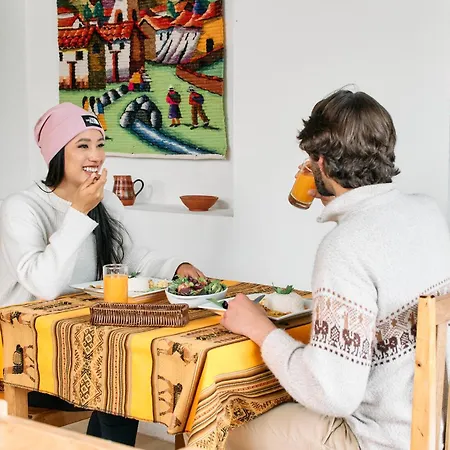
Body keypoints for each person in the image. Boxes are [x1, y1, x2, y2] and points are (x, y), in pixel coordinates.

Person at [220, 89, 450, 450]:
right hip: (432, 428)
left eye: (311, 159)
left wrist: (260, 329)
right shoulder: (426, 211)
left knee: (225, 434)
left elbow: (331, 393)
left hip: (379, 438)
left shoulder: (344, 246)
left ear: (322, 164)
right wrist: (332, 195)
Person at [0, 102, 204, 446]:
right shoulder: (22, 207)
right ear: (56, 153)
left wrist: (175, 268)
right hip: (26, 356)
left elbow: (129, 258)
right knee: (119, 374)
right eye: (82, 145)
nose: (95, 155)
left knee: (134, 365)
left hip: (86, 342)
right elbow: (45, 285)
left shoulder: (105, 200)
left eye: (99, 144)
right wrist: (79, 212)